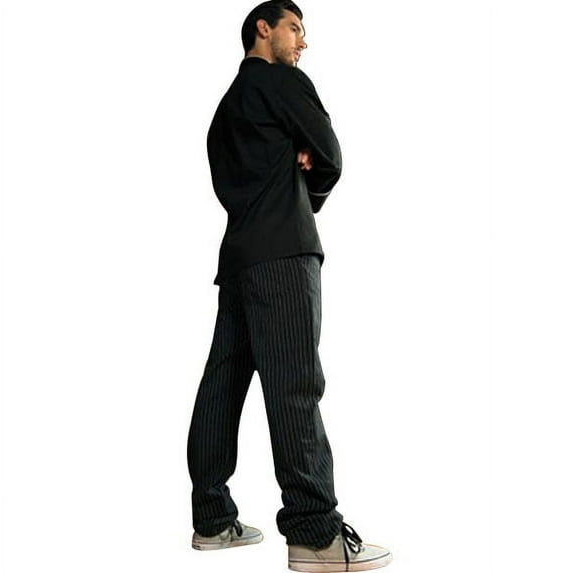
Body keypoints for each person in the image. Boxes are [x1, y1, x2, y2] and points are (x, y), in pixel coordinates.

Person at [186, 1, 392, 571]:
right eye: (295, 28)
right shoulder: (283, 82)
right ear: (264, 28)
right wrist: (306, 178)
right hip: (282, 255)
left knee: (223, 384)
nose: (302, 42)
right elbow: (331, 155)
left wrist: (289, 161)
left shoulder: (224, 111)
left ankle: (211, 520)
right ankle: (315, 534)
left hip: (239, 259)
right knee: (295, 385)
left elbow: (239, 182)